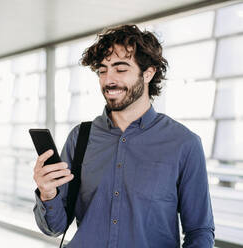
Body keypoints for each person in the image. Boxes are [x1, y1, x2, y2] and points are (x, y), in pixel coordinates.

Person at [32, 24, 215, 247]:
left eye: (120, 69)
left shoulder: (184, 143)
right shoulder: (80, 138)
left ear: (148, 73)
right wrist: (47, 193)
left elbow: (200, 231)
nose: (109, 80)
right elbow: (54, 227)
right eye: (102, 70)